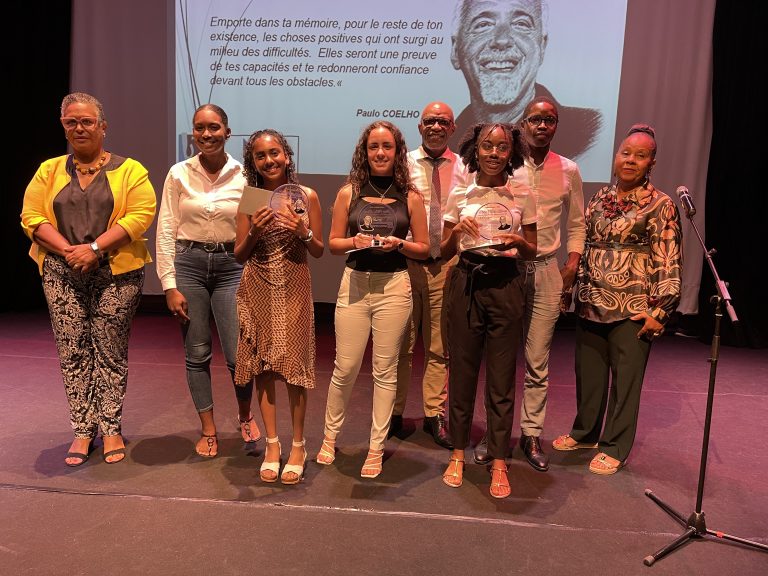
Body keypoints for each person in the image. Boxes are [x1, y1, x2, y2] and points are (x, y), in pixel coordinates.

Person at [20, 92, 156, 466]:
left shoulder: (131, 170)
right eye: (71, 122)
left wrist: (94, 248)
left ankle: (110, 428)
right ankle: (82, 430)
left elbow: (140, 216)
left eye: (87, 121)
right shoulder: (49, 170)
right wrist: (70, 251)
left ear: (103, 126)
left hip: (116, 273)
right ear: (64, 127)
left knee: (109, 352)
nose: (79, 128)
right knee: (73, 352)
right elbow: (31, 217)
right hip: (61, 272)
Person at [553, 124, 682, 475]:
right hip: (592, 300)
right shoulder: (600, 199)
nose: (630, 160)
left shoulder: (660, 205)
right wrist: (571, 292)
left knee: (625, 383)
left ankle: (615, 446)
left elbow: (668, 258)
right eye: (626, 153)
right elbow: (585, 247)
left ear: (651, 162)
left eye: (640, 156)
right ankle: (585, 433)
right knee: (589, 376)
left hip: (634, 307)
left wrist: (660, 310)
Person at [473, 96, 585, 472]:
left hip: (547, 269)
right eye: (535, 119)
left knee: (538, 360)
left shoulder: (568, 169)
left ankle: (532, 434)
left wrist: (572, 264)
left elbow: (577, 223)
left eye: (549, 120)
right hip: (507, 269)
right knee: (501, 359)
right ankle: (495, 434)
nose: (541, 126)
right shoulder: (507, 165)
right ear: (523, 124)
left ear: (555, 126)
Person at [317, 121, 429, 479]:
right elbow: (333, 243)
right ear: (364, 152)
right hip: (355, 284)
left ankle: (376, 447)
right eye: (373, 147)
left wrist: (401, 244)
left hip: (394, 286)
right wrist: (355, 242)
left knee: (385, 371)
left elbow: (424, 248)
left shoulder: (411, 197)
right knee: (345, 367)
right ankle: (329, 437)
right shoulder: (348, 192)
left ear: (397, 152)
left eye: (387, 147)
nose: (380, 153)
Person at [156, 103, 261, 459]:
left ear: (227, 132)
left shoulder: (246, 174)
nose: (206, 134)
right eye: (200, 127)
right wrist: (169, 284)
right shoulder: (178, 173)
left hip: (233, 265)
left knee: (238, 354)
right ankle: (208, 429)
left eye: (214, 127)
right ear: (193, 133)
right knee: (197, 352)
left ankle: (245, 415)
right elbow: (166, 229)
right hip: (189, 264)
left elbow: (257, 229)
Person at [440, 123, 537, 498]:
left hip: (506, 284)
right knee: (462, 374)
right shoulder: (461, 192)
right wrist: (456, 232)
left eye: (502, 147)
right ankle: (458, 453)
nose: (494, 153)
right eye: (487, 146)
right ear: (474, 150)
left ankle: (498, 459)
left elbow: (533, 249)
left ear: (512, 152)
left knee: (501, 379)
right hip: (467, 283)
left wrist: (518, 242)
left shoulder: (522, 192)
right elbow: (444, 252)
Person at [234, 129, 324, 484]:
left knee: (294, 368)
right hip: (257, 285)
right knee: (264, 367)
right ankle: (272, 445)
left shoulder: (306, 196)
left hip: (295, 286)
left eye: (274, 153)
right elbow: (239, 254)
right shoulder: (251, 198)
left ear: (287, 155)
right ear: (252, 162)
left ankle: (298, 446)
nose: (269, 160)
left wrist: (303, 230)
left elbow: (318, 250)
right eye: (260, 155)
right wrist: (254, 230)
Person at [392, 101, 470, 449]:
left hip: (447, 265)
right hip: (405, 264)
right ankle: (394, 412)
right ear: (419, 126)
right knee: (402, 345)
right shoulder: (402, 164)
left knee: (440, 347)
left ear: (453, 128)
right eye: (430, 121)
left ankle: (433, 414)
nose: (436, 127)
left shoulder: (466, 167)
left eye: (443, 122)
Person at [448, 0, 602, 160]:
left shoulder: (588, 132)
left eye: (520, 24)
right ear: (455, 50)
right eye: (483, 25)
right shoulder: (448, 146)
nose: (501, 40)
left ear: (542, 46)